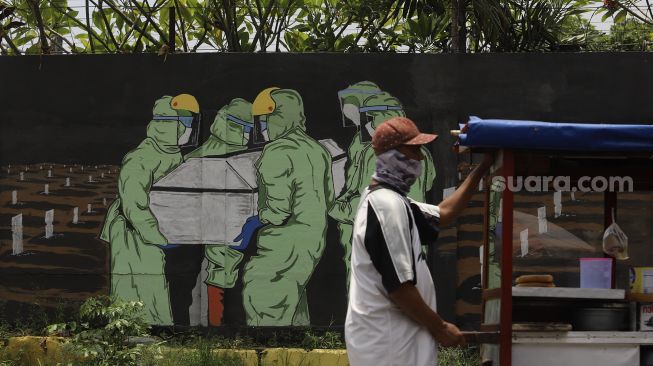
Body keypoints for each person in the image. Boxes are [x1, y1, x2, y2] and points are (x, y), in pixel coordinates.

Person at [345, 116, 492, 366]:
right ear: (391, 155)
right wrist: (440, 327)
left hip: (396, 342)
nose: (420, 158)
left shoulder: (395, 202)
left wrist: (480, 171)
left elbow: (443, 213)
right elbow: (400, 287)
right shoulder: (386, 206)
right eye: (413, 150)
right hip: (389, 345)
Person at [238, 87, 335, 326]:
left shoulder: (277, 151)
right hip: (313, 240)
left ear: (278, 117)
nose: (261, 127)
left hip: (283, 240)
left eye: (264, 120)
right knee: (293, 299)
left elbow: (277, 211)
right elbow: (329, 196)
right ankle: (297, 348)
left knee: (262, 293)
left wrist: (251, 224)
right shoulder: (317, 149)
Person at [100, 94, 200, 325]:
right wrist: (159, 237)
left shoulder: (173, 154)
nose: (188, 129)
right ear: (167, 124)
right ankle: (134, 335)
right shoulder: (141, 158)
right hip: (132, 233)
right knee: (138, 284)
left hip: (156, 232)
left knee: (156, 288)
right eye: (183, 123)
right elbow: (134, 205)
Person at [330, 91, 436, 284]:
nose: (366, 125)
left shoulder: (379, 155)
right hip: (410, 238)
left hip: (380, 244)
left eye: (369, 118)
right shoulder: (422, 153)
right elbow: (429, 184)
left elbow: (361, 206)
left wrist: (331, 205)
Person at [184, 98, 254, 326]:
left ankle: (215, 326)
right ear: (225, 123)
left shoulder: (195, 156)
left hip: (216, 236)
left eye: (249, 129)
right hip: (223, 235)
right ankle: (216, 327)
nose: (245, 134)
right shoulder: (234, 158)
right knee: (217, 276)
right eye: (240, 127)